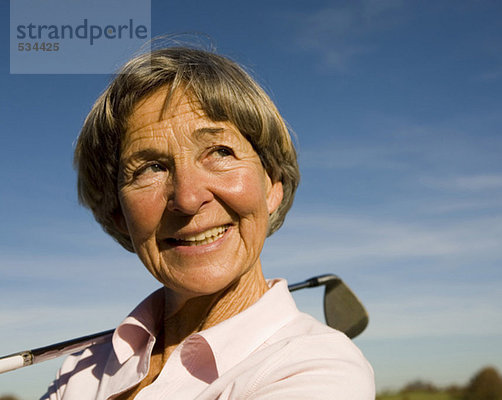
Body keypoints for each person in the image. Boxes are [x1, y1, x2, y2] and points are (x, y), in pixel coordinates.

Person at [41, 47, 375, 399]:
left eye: (219, 152)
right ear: (119, 216)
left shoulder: (322, 368)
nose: (187, 198)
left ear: (272, 185)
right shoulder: (79, 371)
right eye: (150, 168)